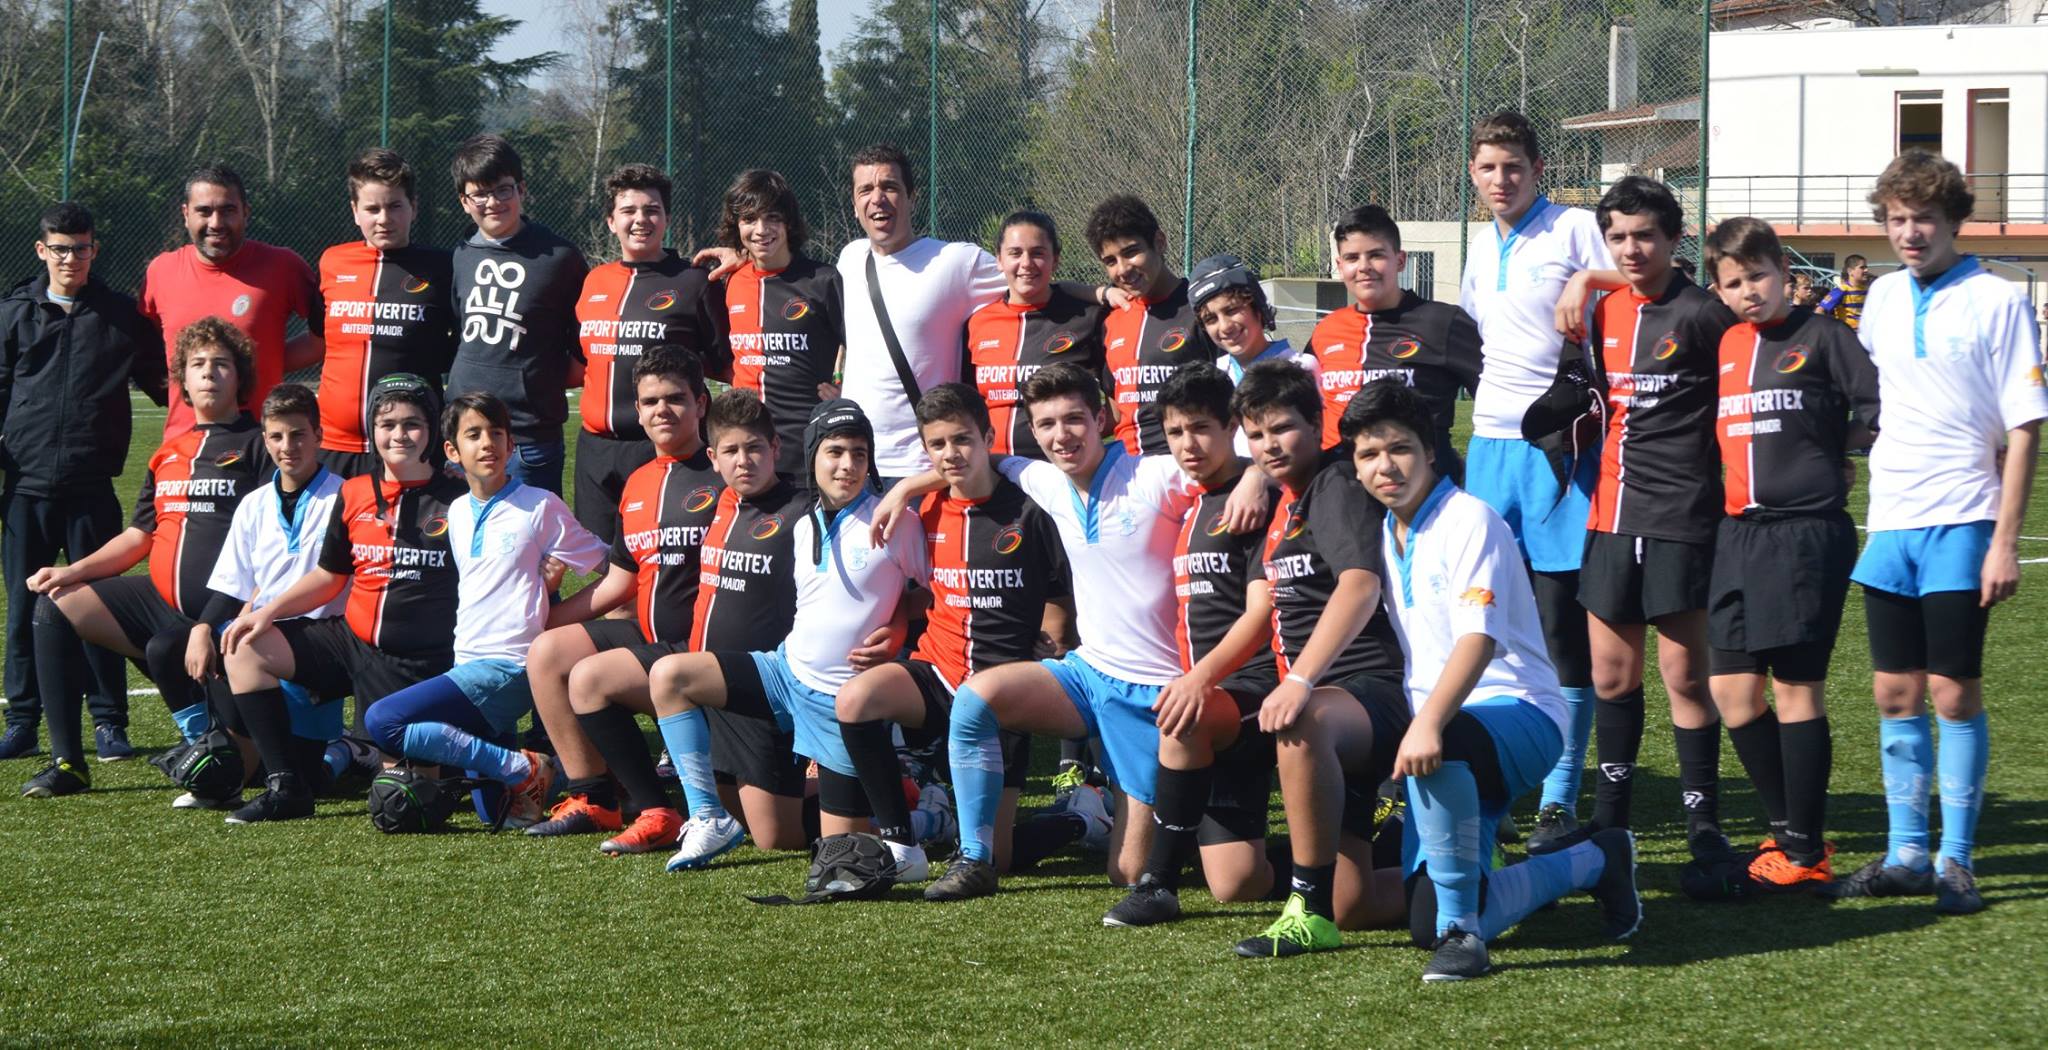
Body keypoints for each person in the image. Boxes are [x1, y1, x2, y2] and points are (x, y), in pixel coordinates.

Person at [871, 363, 1261, 903]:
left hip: (1158, 694)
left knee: (1129, 873)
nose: (1062, 435)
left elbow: (1226, 464)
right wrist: (908, 487)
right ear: (1033, 430)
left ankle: (1179, 814)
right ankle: (975, 859)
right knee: (977, 698)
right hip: (1089, 675)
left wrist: (1258, 476)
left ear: (1101, 418)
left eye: (1074, 419)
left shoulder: (1154, 476)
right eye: (1047, 424)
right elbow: (978, 460)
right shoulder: (1045, 479)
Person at [1345, 379, 1640, 982]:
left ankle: (1465, 937)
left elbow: (1477, 640)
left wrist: (1427, 723)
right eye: (1369, 454)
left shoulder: (1468, 519)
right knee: (1422, 921)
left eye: (1399, 449)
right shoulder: (1384, 532)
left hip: (1521, 713)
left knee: (1447, 743)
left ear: (1430, 451)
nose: (1385, 466)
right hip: (1446, 736)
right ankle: (1597, 859)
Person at [1828, 151, 2046, 915]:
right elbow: (1871, 399)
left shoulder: (1998, 301)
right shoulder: (1882, 297)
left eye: (1923, 218)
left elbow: (2025, 429)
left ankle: (1956, 859)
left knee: (1953, 693)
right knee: (1894, 691)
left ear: (1954, 219)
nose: (1910, 233)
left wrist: (2004, 542)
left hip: (1963, 517)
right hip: (1891, 519)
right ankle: (1906, 855)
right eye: (1897, 219)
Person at [649, 399, 928, 872]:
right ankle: (707, 817)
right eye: (835, 452)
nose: (847, 465)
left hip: (840, 701)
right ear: (812, 456)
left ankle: (927, 818)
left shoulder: (895, 521)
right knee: (669, 675)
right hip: (783, 672)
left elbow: (939, 590)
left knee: (842, 853)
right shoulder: (803, 523)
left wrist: (899, 621)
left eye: (859, 454)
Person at [833, 383, 1081, 879]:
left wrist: (1055, 639)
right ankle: (902, 842)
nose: (950, 453)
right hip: (939, 671)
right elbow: (913, 592)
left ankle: (1079, 822)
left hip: (1001, 690)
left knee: (998, 858)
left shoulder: (1032, 509)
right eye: (938, 444)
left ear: (987, 437)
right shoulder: (922, 511)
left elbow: (1063, 590)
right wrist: (897, 625)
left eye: (962, 439)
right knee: (855, 699)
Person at [1558, 176, 1736, 862]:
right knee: (1610, 676)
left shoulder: (1704, 314)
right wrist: (1586, 280)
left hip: (1683, 519)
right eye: (1618, 238)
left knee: (1685, 678)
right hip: (1609, 515)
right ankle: (1610, 821)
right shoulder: (1604, 312)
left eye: (1645, 236)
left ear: (1674, 238)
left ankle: (1703, 822)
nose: (1631, 249)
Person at [1702, 217, 1880, 889]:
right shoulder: (1727, 343)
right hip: (1738, 533)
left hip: (1805, 532)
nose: (1748, 291)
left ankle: (1803, 853)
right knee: (1730, 690)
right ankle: (1790, 833)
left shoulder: (1826, 337)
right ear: (1719, 290)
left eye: (1758, 276)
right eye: (1733, 283)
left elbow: (1878, 406)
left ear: (1784, 273)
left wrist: (1841, 448)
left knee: (1796, 687)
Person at [19, 318, 267, 798]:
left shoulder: (259, 444)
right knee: (55, 604)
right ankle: (68, 764)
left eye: (221, 363)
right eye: (198, 364)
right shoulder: (168, 452)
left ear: (240, 377)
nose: (209, 372)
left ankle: (216, 740)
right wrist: (71, 571)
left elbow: (272, 543)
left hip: (225, 611)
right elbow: (139, 536)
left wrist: (248, 609)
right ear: (183, 380)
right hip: (161, 602)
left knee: (238, 754)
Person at [1457, 111, 1610, 847]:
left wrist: (1589, 276)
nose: (1501, 179)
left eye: (1513, 166)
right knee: (1488, 621)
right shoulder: (1480, 245)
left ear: (1538, 169)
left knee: (1558, 623)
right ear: (1473, 173)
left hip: (1556, 449)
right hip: (1489, 447)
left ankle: (1559, 794)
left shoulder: (1574, 228)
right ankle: (1500, 783)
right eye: (1488, 168)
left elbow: (1646, 275)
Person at [1226, 361, 1412, 957]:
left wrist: (1301, 680)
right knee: (1358, 906)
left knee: (1301, 724)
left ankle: (1305, 909)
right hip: (1333, 696)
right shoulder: (1287, 500)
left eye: (1282, 428)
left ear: (1315, 422)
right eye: (1256, 435)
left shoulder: (1335, 485)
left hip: (1375, 687)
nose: (1269, 445)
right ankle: (1473, 868)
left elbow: (1360, 584)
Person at [358, 392, 609, 826]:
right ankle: (561, 772)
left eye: (497, 433)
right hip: (467, 662)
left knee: (383, 721)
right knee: (495, 813)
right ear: (453, 451)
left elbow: (612, 568)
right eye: (473, 434)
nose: (487, 443)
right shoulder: (457, 511)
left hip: (509, 666)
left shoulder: (540, 505)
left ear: (511, 445)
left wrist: (558, 619)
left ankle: (522, 767)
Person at [1100, 365, 1286, 926]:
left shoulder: (1257, 502)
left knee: (1184, 716)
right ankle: (1353, 849)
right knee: (1237, 883)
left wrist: (1197, 679)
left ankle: (1158, 884)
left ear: (1232, 426)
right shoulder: (1191, 502)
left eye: (1201, 428)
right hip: (1213, 693)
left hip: (1258, 686)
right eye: (1176, 432)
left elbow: (1261, 614)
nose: (1188, 444)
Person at [219, 374, 465, 794]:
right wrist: (266, 612)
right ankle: (285, 787)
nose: (398, 435)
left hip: (418, 662)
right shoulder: (353, 492)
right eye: (387, 425)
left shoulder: (460, 498)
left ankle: (369, 754)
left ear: (432, 430)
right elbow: (329, 576)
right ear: (372, 430)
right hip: (352, 643)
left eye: (412, 424)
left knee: (402, 801)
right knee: (245, 646)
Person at [521, 347, 720, 846]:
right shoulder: (637, 482)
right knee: (548, 653)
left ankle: (654, 808)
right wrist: (543, 620)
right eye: (650, 401)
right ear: (638, 410)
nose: (661, 410)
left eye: (675, 398)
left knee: (591, 678)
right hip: (649, 638)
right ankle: (595, 799)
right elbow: (618, 583)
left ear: (701, 403)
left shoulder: (724, 473)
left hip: (703, 650)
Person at [0, 201, 166, 761]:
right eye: (61, 249)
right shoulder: (13, 313)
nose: (71, 259)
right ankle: (23, 722)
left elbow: (164, 383)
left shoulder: (120, 316)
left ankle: (109, 723)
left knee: (99, 605)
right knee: (23, 609)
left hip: (92, 487)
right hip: (25, 488)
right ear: (41, 250)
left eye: (82, 248)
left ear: (95, 250)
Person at [638, 392, 814, 861]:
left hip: (762, 691)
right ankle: (658, 806)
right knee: (595, 678)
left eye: (754, 448)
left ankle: (902, 801)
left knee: (775, 837)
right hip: (709, 684)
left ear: (775, 448)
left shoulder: (802, 512)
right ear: (713, 458)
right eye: (731, 451)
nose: (744, 461)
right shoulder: (720, 502)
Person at [171, 383, 352, 821]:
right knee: (174, 646)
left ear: (319, 435)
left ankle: (344, 753)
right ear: (265, 440)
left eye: (298, 434)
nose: (288, 446)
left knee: (314, 776)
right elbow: (232, 584)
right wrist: (201, 628)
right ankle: (222, 757)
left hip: (323, 641)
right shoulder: (253, 505)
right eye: (277, 436)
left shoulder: (346, 498)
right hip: (264, 637)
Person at [835, 144, 1009, 489]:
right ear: (854, 205)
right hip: (855, 463)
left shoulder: (958, 262)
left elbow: (1031, 281)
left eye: (890, 187)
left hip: (924, 467)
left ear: (912, 198)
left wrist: (1101, 294)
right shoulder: (850, 259)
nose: (877, 198)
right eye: (865, 190)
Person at [574, 164, 726, 543]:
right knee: (602, 562)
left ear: (667, 219)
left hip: (660, 444)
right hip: (595, 450)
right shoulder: (594, 281)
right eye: (628, 210)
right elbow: (581, 360)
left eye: (652, 210)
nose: (640, 219)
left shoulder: (694, 281)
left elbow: (726, 362)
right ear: (611, 221)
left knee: (664, 558)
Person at [446, 134, 589, 496]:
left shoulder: (560, 257)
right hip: (464, 434)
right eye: (480, 194)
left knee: (531, 533)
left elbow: (585, 343)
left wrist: (540, 384)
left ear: (521, 189)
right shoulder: (460, 255)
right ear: (464, 202)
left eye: (503, 190)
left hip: (528, 440)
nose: (493, 202)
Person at [140, 164, 322, 440]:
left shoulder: (284, 266)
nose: (216, 223)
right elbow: (151, 346)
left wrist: (261, 362)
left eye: (227, 210)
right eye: (204, 211)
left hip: (261, 443)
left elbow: (324, 339)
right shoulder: (160, 271)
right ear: (186, 214)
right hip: (184, 442)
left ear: (245, 212)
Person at [1308, 205, 1481, 480]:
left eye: (1376, 255)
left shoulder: (1442, 322)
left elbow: (1496, 399)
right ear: (1340, 267)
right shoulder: (1326, 330)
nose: (1364, 267)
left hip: (1418, 487)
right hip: (1339, 486)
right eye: (1352, 258)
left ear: (1400, 260)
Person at [315, 148, 457, 478]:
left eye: (395, 206)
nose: (383, 218)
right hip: (334, 445)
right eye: (372, 208)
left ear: (413, 207)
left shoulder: (444, 267)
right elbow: (317, 337)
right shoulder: (332, 262)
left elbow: (462, 346)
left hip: (409, 446)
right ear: (355, 211)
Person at [716, 168, 844, 482]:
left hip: (808, 448)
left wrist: (847, 389)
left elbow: (867, 347)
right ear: (736, 225)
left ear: (789, 222)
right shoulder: (731, 281)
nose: (761, 230)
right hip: (746, 452)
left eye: (772, 218)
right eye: (749, 219)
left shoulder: (823, 280)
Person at [963, 211, 1107, 460]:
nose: (1026, 263)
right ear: (999, 260)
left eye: (1038, 253)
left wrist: (1078, 442)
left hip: (1061, 468)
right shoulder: (978, 321)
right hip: (992, 469)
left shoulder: (1087, 318)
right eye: (1015, 253)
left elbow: (1118, 402)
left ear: (1055, 260)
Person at [1090, 195, 1216, 456]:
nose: (1123, 269)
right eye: (1110, 261)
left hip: (1188, 462)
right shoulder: (1110, 319)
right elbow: (1117, 411)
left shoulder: (1202, 309)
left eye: (1131, 252)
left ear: (1159, 242)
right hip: (1126, 467)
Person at [1815, 254, 1869, 330]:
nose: (1866, 270)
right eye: (1862, 267)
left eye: (1866, 267)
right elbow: (1819, 311)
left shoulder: (1869, 290)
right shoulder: (1840, 291)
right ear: (1850, 271)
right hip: (1849, 333)